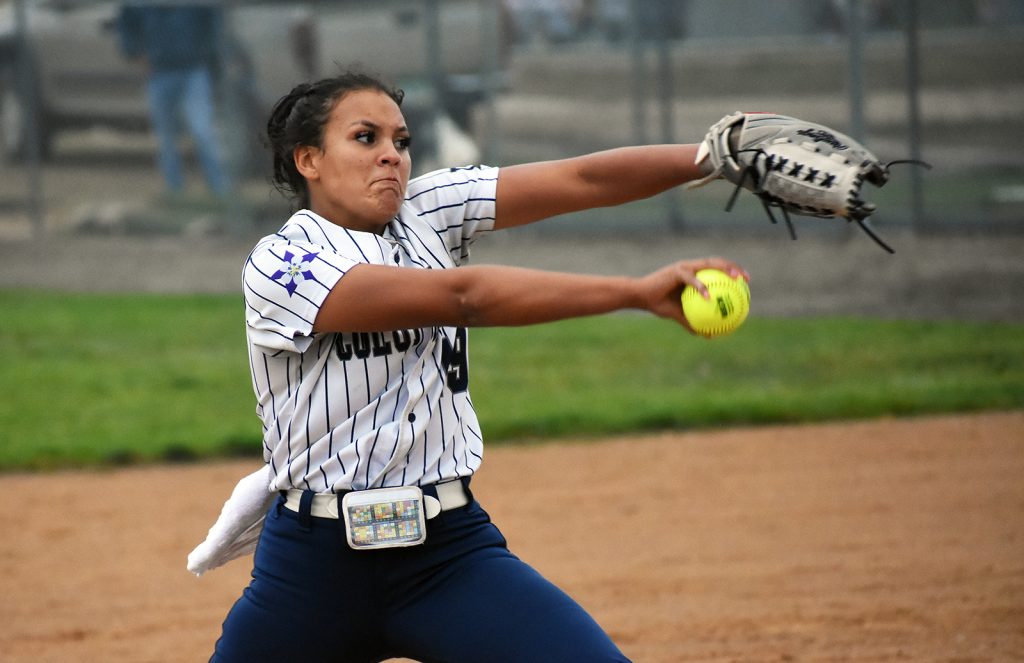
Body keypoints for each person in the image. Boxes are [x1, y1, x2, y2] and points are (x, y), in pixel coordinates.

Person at [200, 69, 749, 662]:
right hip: (312, 574)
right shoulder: (282, 263)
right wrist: (634, 293)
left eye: (401, 141)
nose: (391, 156)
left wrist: (715, 155)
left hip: (447, 557)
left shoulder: (429, 212)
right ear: (308, 159)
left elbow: (583, 178)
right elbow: (465, 297)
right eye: (365, 138)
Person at [117, 3, 231, 198]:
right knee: (166, 136)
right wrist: (135, 54)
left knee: (202, 130)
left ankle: (220, 189)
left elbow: (213, 24)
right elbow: (126, 24)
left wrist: (213, 59)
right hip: (159, 72)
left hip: (194, 69)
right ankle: (175, 190)